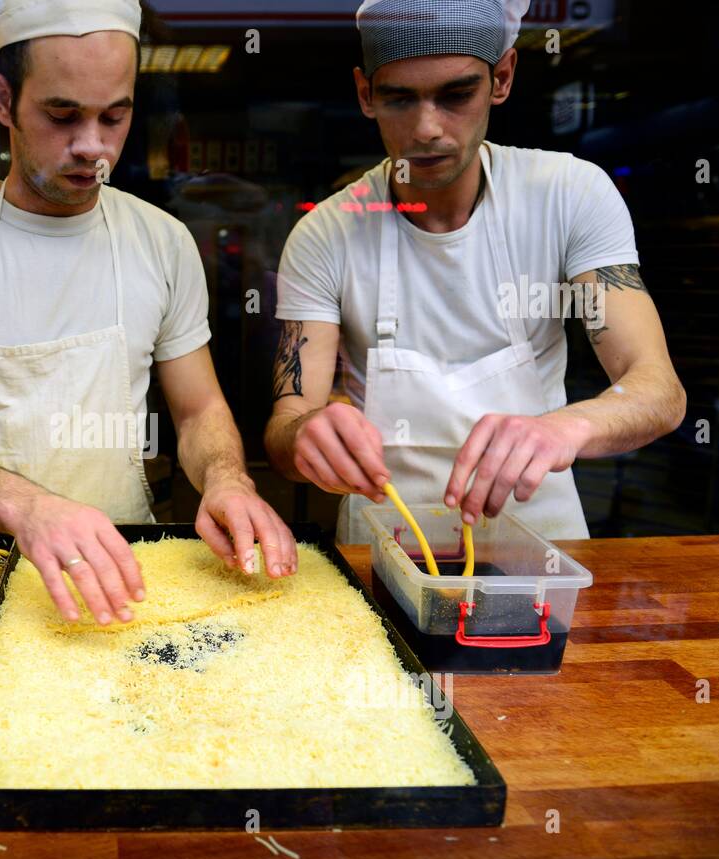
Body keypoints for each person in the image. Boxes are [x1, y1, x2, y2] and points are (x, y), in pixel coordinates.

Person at [0, 0, 297, 626]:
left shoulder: (163, 241)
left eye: (114, 117)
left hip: (126, 571)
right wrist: (29, 509)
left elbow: (198, 409)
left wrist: (228, 480)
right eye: (62, 115)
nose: (92, 146)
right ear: (4, 99)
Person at [265, 0, 686, 543]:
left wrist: (566, 428)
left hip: (541, 548)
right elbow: (287, 421)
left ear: (502, 77)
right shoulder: (327, 234)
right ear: (366, 94)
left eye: (456, 94)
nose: (426, 129)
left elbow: (658, 389)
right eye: (399, 98)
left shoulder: (569, 194)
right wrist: (303, 437)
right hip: (385, 549)